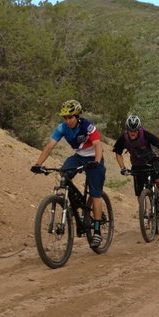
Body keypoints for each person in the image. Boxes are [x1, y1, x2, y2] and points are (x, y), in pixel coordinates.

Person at [31, 100, 107, 248]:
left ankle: (97, 231)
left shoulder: (87, 126)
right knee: (63, 174)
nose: (68, 120)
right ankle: (75, 201)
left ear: (77, 116)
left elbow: (98, 144)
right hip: (78, 157)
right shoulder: (62, 128)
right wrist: (38, 164)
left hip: (94, 158)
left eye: (70, 117)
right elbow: (50, 146)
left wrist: (97, 161)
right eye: (65, 117)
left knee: (95, 194)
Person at [113, 114, 159, 209]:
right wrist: (123, 168)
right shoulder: (123, 138)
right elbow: (118, 153)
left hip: (152, 160)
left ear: (139, 129)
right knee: (139, 192)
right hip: (137, 164)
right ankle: (144, 214)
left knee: (158, 180)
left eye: (135, 130)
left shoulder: (145, 134)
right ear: (127, 130)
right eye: (130, 130)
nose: (132, 133)